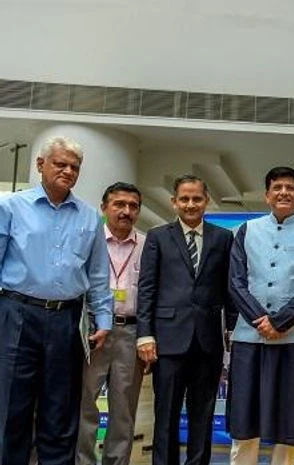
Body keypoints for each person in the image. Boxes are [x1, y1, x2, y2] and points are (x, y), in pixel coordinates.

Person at [0, 136, 113, 465]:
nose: (68, 171)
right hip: (16, 314)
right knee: (12, 408)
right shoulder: (11, 207)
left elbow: (98, 274)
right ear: (40, 165)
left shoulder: (90, 217)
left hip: (66, 320)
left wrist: (103, 318)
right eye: (60, 164)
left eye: (74, 167)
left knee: (60, 410)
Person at [226, 166, 294, 465]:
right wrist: (261, 321)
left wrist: (281, 322)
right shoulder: (247, 230)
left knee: (291, 417)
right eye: (277, 187)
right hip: (250, 338)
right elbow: (236, 281)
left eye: (290, 188)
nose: (284, 192)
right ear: (267, 195)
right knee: (245, 414)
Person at [136, 174, 235, 465]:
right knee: (165, 413)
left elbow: (229, 288)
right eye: (184, 199)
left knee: (202, 414)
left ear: (207, 201)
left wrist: (232, 328)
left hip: (208, 341)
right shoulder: (157, 237)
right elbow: (147, 288)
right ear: (174, 202)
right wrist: (144, 334)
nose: (191, 204)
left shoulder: (223, 238)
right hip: (167, 341)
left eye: (197, 199)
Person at [76, 182, 145, 465]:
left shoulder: (147, 245)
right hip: (93, 332)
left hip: (131, 332)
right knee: (84, 403)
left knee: (124, 409)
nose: (126, 211)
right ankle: (82, 461)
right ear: (104, 207)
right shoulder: (89, 240)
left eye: (133, 206)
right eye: (119, 204)